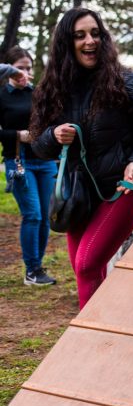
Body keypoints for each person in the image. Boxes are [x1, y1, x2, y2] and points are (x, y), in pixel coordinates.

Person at [30, 7, 133, 309]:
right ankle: (100, 340)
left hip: (121, 189)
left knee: (88, 264)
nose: (90, 41)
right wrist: (53, 136)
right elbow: (38, 145)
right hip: (77, 196)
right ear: (67, 43)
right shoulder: (52, 89)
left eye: (95, 33)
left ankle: (89, 345)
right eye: (80, 36)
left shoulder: (126, 81)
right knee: (85, 271)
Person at [1, 48, 59, 286]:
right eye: (19, 67)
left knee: (45, 216)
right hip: (18, 160)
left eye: (28, 67)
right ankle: (32, 270)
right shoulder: (2, 95)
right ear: (10, 68)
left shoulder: (38, 94)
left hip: (45, 161)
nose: (24, 72)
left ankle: (38, 267)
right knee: (32, 214)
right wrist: (18, 135)